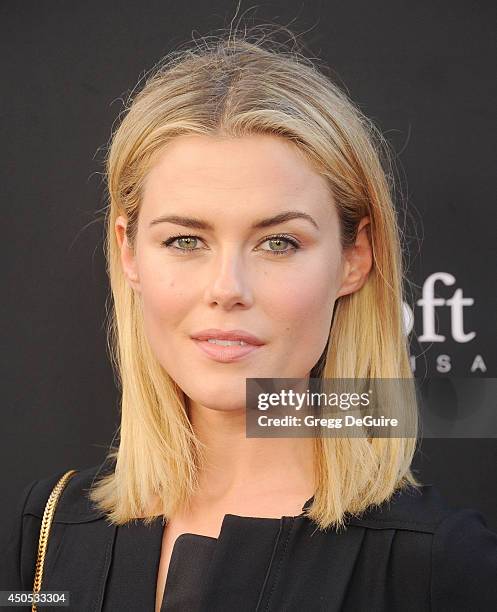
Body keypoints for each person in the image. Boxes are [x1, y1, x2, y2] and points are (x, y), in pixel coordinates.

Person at [1, 24, 496, 612]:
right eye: (186, 240)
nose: (227, 289)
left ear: (354, 258)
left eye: (278, 243)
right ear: (129, 252)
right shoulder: (47, 532)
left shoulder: (445, 570)